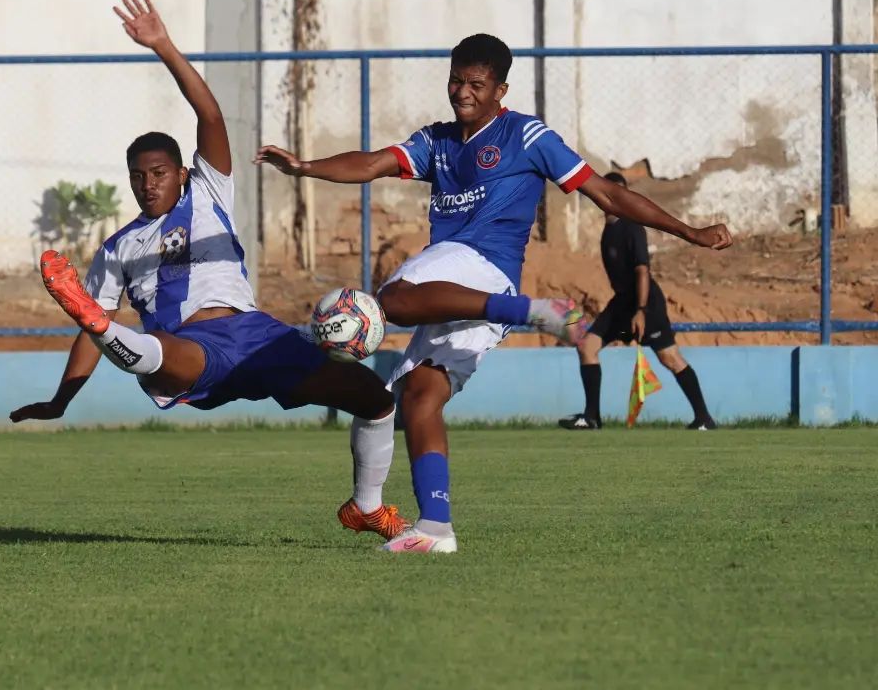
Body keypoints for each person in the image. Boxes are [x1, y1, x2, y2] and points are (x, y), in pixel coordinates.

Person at [257, 33, 731, 554]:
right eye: (456, 81)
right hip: (456, 287)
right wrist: (305, 167)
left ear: (500, 90)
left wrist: (690, 231)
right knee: (415, 397)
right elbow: (373, 164)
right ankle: (432, 527)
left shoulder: (526, 136)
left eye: (476, 85)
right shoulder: (436, 141)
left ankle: (532, 311)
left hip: (488, 269)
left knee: (392, 297)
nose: (463, 92)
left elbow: (609, 194)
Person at [9, 0, 408, 543]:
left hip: (258, 334)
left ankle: (365, 507)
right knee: (155, 352)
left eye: (157, 172)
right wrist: (62, 399)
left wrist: (163, 46)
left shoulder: (209, 192)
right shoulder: (120, 247)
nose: (148, 183)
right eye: (137, 176)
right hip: (194, 346)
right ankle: (110, 331)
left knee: (377, 399)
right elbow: (82, 336)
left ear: (179, 172)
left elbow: (210, 115)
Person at [558, 171, 717, 431]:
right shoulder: (608, 231)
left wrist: (641, 310)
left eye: (623, 194)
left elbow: (643, 270)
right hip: (622, 302)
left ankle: (703, 418)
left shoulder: (632, 227)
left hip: (645, 302)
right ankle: (592, 417)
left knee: (670, 358)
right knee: (587, 346)